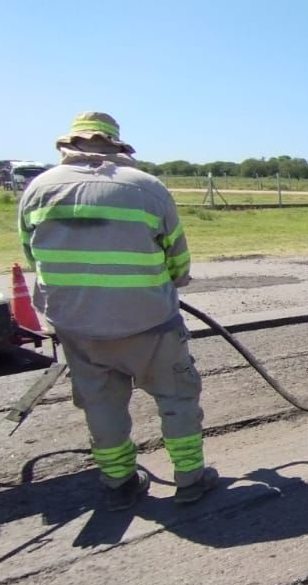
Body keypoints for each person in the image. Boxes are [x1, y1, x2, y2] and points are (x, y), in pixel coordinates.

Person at [17, 112, 218, 510]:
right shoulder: (147, 188)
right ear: (116, 146)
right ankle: (190, 480)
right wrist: (166, 283)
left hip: (77, 326)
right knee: (177, 398)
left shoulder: (38, 189)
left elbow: (31, 254)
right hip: (149, 323)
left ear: (70, 145)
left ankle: (119, 483)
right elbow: (178, 260)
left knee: (101, 404)